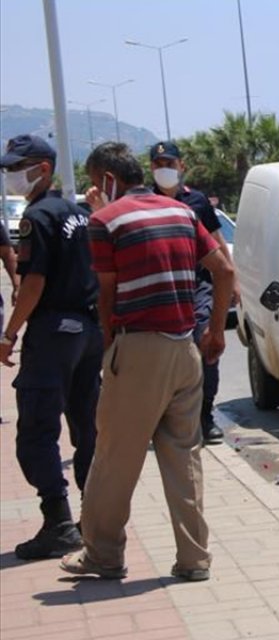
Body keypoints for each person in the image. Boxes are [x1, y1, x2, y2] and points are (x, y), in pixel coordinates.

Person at [59, 142, 235, 581]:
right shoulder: (182, 212)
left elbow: (106, 293)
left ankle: (102, 554)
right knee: (184, 457)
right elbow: (225, 272)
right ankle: (194, 559)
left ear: (106, 180)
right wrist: (213, 332)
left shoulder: (104, 221)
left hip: (137, 348)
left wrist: (108, 349)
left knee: (116, 456)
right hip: (184, 347)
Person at [0, 134, 102, 560]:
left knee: (38, 431)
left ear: (42, 169)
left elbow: (34, 283)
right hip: (87, 331)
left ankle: (58, 523)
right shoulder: (76, 213)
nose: (9, 176)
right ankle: (96, 517)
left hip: (53, 334)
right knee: (86, 428)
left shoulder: (37, 217)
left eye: (15, 167)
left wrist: (9, 333)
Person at [150, 140, 234, 445]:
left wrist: (231, 279)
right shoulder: (147, 201)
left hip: (198, 286)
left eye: (170, 164)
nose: (165, 170)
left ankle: (205, 416)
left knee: (206, 348)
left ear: (181, 166)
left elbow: (215, 241)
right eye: (159, 165)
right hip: (164, 288)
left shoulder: (197, 201)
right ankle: (166, 417)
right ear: (151, 169)